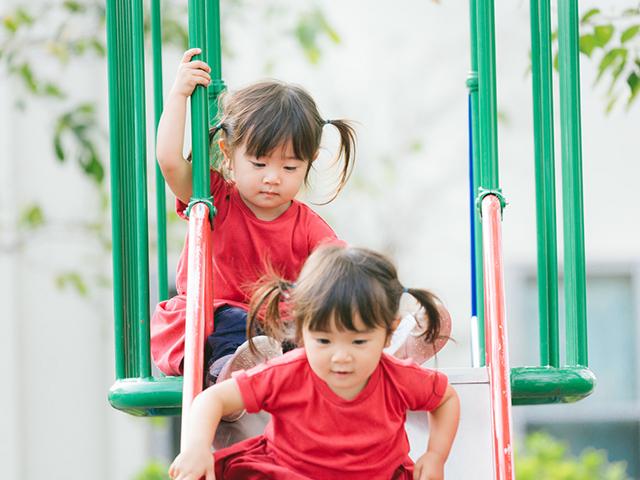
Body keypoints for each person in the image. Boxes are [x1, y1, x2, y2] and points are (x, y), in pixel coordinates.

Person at [150, 48, 357, 391]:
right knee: (233, 322)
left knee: (316, 324)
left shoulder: (307, 226)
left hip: (278, 332)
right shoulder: (216, 197)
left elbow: (341, 271)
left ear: (310, 162)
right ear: (229, 155)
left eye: (290, 167)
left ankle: (380, 344)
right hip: (217, 323)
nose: (273, 177)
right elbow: (170, 161)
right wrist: (178, 95)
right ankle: (229, 374)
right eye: (259, 164)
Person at [169, 244, 460, 480]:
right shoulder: (288, 373)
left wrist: (436, 455)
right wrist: (196, 447)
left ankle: (406, 345)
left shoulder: (397, 377)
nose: (341, 356)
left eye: (358, 342)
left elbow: (445, 398)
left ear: (388, 334)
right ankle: (236, 360)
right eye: (323, 340)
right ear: (301, 330)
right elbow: (213, 399)